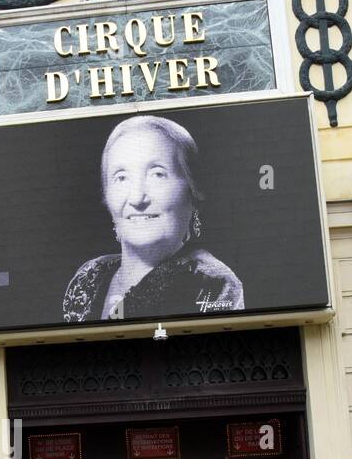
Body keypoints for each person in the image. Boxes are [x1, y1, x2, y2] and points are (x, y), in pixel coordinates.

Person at [62, 115, 244, 323]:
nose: (137, 198)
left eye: (157, 174)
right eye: (121, 177)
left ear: (193, 190)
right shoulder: (90, 275)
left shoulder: (211, 282)